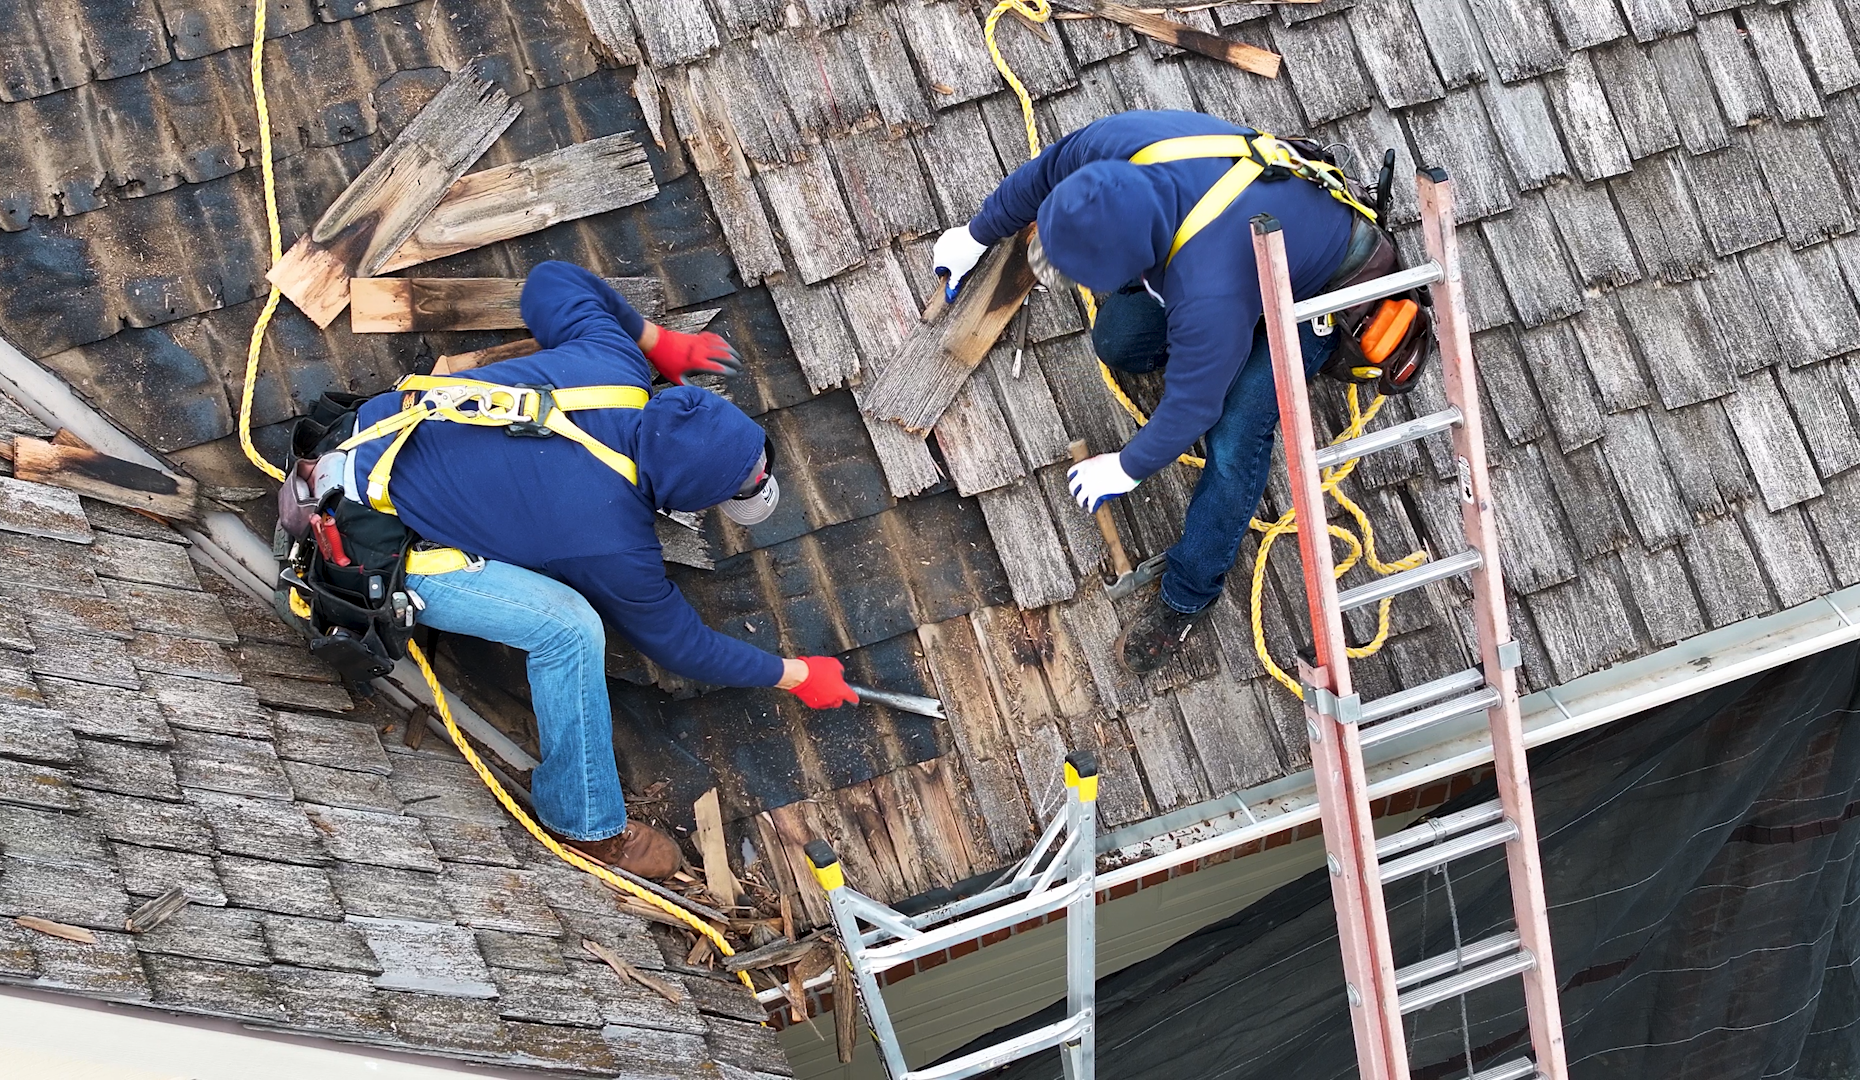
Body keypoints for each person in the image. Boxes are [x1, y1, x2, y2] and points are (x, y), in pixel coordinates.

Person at [338, 261, 859, 879]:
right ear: (689, 495)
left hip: (356, 435)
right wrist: (796, 674)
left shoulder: (613, 361)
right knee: (570, 631)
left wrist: (655, 340)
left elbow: (552, 281)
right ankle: (585, 824)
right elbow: (683, 647)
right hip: (362, 543)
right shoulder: (613, 544)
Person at [933, 109, 1396, 677]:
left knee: (1234, 434)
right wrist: (974, 235)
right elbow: (1046, 171)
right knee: (1119, 341)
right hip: (1235, 249)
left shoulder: (1206, 291)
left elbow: (1193, 407)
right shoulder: (1112, 148)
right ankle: (1222, 351)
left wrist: (1127, 467)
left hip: (1317, 290)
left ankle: (1188, 594)